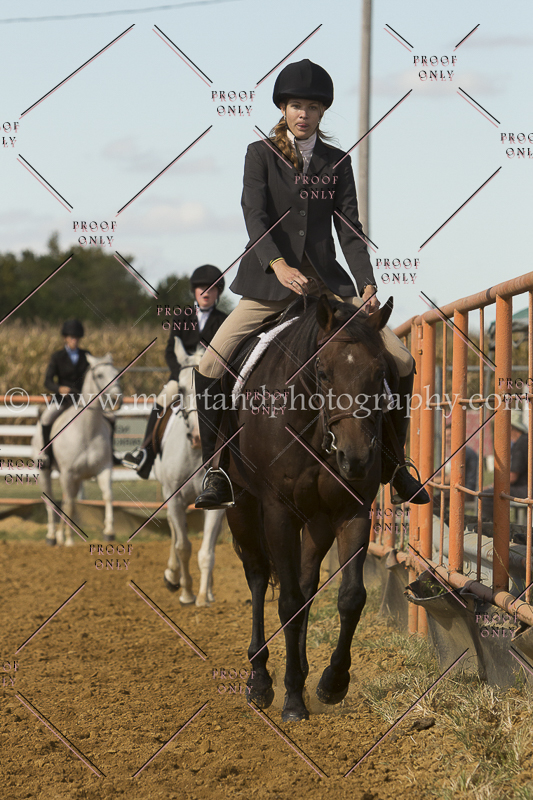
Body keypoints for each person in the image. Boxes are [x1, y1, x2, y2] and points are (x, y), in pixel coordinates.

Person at [193, 58, 430, 510]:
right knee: (210, 365)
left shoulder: (337, 162)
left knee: (400, 358)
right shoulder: (259, 154)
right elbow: (254, 216)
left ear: (323, 112)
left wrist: (366, 285)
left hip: (327, 288)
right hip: (268, 287)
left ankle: (396, 464)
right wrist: (278, 265)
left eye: (313, 107)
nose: (304, 114)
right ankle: (216, 470)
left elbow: (350, 229)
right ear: (283, 109)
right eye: (296, 106)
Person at [122, 265, 227, 479]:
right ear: (194, 291)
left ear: (218, 293)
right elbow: (171, 351)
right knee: (162, 399)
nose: (206, 293)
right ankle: (145, 453)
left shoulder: (224, 321)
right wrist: (180, 374)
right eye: (201, 288)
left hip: (211, 378)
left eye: (212, 289)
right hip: (182, 376)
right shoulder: (181, 318)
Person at [41, 319, 120, 468]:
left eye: (77, 337)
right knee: (46, 417)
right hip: (63, 399)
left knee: (111, 417)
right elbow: (47, 381)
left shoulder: (86, 355)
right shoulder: (57, 356)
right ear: (65, 338)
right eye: (72, 337)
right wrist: (59, 388)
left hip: (83, 399)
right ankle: (47, 455)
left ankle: (111, 452)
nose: (74, 340)